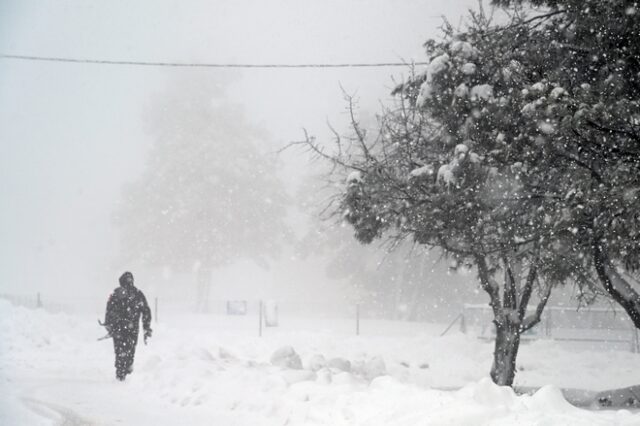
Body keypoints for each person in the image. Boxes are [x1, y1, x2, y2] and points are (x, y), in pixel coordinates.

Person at [103, 271, 152, 381]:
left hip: (120, 328)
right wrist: (146, 326)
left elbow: (109, 310)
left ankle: (121, 371)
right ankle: (125, 368)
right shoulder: (137, 293)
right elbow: (146, 311)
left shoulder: (116, 293)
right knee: (129, 349)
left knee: (120, 350)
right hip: (131, 328)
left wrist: (109, 323)